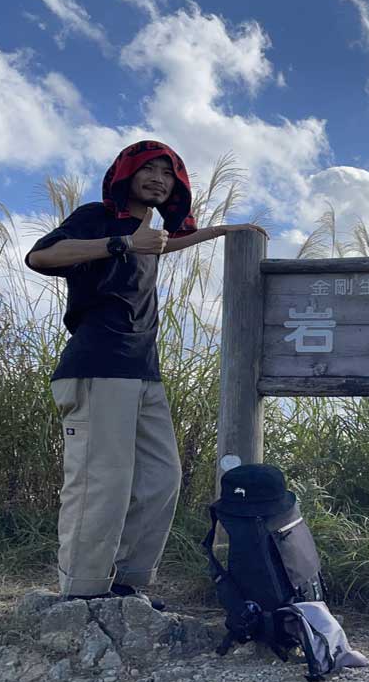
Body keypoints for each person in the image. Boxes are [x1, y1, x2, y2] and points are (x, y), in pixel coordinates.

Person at [26, 140, 266, 601]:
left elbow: (164, 245)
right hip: (97, 366)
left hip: (143, 371)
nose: (158, 178)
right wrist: (119, 242)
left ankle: (127, 581)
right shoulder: (98, 217)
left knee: (162, 478)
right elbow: (41, 256)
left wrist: (223, 232)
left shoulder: (149, 231)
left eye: (167, 173)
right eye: (149, 169)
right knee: (103, 482)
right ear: (126, 174)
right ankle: (84, 590)